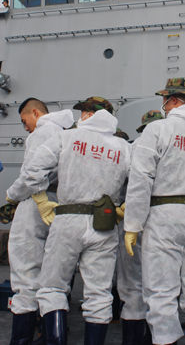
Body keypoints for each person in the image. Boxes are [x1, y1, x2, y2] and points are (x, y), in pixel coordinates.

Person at [124, 78, 185, 345]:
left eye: (166, 100)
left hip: (164, 216)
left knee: (161, 291)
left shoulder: (158, 129)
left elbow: (141, 178)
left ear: (175, 100)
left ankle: (166, 341)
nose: (164, 105)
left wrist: (132, 225)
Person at [24, 96, 131, 345]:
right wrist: (123, 207)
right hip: (104, 225)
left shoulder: (66, 138)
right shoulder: (124, 147)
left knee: (52, 287)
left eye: (83, 112)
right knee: (99, 294)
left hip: (67, 219)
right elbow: (138, 184)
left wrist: (41, 200)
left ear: (87, 115)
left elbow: (32, 171)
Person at [6, 98, 74, 345]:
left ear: (35, 113)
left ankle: (21, 340)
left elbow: (29, 176)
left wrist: (10, 196)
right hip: (60, 204)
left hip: (36, 202)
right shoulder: (66, 135)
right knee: (54, 281)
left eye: (25, 121)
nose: (25, 128)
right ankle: (52, 337)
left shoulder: (41, 133)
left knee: (25, 273)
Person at [117, 110, 163, 345]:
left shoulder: (133, 148)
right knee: (162, 285)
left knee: (131, 283)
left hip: (132, 219)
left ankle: (132, 340)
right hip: (162, 222)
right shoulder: (171, 145)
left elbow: (123, 181)